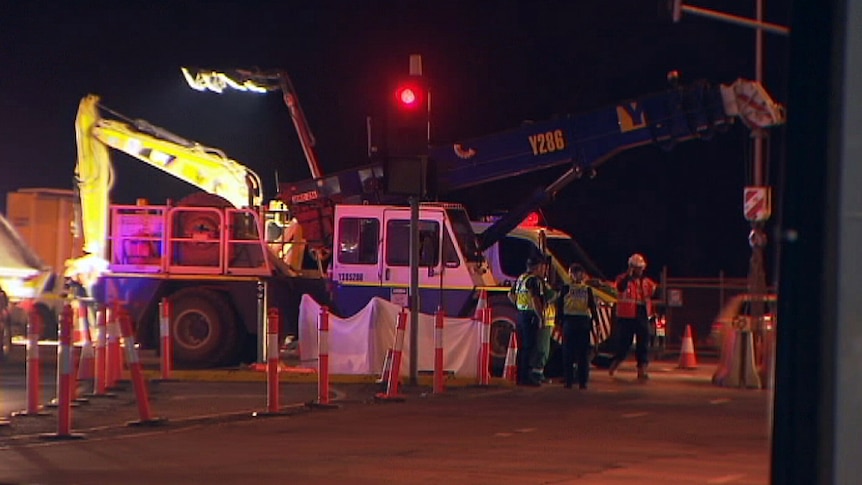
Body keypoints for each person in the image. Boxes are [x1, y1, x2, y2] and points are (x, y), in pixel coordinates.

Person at [609, 253, 657, 381]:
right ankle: (615, 364)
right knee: (624, 343)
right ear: (631, 268)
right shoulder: (622, 279)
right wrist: (628, 276)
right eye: (638, 268)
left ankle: (642, 370)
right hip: (626, 316)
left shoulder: (646, 282)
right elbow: (620, 287)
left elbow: (653, 291)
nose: (641, 270)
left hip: (642, 315)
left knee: (643, 343)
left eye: (642, 268)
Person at [508, 255, 547, 386]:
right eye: (543, 266)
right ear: (538, 266)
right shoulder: (533, 280)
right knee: (529, 347)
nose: (544, 269)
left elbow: (511, 295)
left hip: (521, 315)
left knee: (523, 347)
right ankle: (526, 377)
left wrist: (519, 305)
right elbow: (535, 300)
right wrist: (540, 316)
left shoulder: (521, 278)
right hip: (530, 315)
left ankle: (521, 376)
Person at [561, 263, 599, 389]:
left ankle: (576, 381)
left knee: (576, 354)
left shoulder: (582, 289)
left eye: (578, 273)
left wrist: (597, 322)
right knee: (574, 355)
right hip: (575, 323)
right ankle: (574, 381)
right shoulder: (568, 288)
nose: (577, 275)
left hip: (578, 323)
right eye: (575, 273)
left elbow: (592, 306)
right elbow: (560, 305)